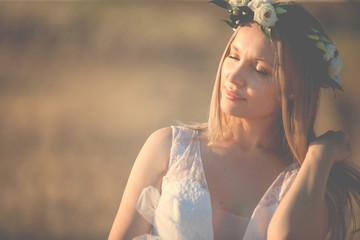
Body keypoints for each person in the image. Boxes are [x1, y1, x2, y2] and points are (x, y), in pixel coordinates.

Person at [109, 1, 360, 239]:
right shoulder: (170, 148)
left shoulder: (311, 184)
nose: (234, 76)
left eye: (260, 70)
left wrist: (318, 157)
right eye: (233, 56)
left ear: (294, 88)